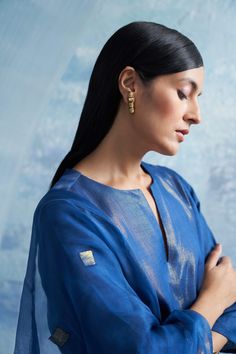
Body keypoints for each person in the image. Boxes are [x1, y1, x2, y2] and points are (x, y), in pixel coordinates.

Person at [13, 21, 236, 354]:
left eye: (198, 98)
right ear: (130, 84)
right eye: (183, 93)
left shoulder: (177, 189)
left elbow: (232, 308)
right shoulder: (67, 215)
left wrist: (194, 333)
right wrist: (210, 303)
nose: (196, 115)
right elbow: (139, 348)